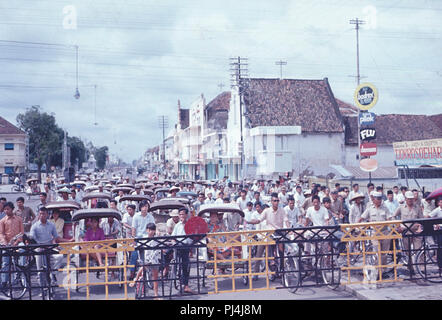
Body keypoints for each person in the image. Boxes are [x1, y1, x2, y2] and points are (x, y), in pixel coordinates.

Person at [358, 191, 392, 278]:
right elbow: (362, 217)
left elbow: (389, 218)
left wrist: (391, 225)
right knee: (377, 252)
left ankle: (383, 270)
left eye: (380, 199)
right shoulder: (370, 208)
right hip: (375, 233)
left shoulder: (385, 208)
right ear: (374, 200)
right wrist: (356, 225)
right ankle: (377, 270)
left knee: (384, 253)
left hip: (385, 233)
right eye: (378, 199)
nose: (379, 201)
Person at [30, 207, 63, 292]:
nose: (41, 215)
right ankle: (42, 288)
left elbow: (56, 237)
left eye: (43, 214)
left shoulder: (51, 225)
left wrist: (56, 244)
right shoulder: (35, 226)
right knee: (40, 270)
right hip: (39, 248)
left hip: (49, 247)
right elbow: (32, 238)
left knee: (59, 257)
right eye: (40, 214)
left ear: (47, 215)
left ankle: (53, 273)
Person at [129, 223, 161, 299]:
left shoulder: (156, 238)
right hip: (147, 258)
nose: (151, 232)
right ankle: (135, 280)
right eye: (149, 230)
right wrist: (134, 246)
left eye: (152, 230)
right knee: (143, 267)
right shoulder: (144, 238)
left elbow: (159, 247)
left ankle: (156, 295)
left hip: (154, 259)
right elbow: (139, 245)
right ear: (147, 230)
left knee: (155, 278)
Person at [171, 208, 193, 294]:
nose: (181, 216)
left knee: (185, 266)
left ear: (186, 215)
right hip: (178, 246)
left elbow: (192, 237)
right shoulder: (177, 225)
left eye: (183, 214)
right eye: (180, 215)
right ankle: (173, 275)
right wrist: (174, 242)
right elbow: (173, 236)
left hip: (186, 246)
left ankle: (186, 285)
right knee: (172, 260)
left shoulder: (189, 225)